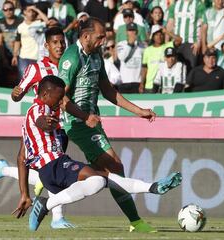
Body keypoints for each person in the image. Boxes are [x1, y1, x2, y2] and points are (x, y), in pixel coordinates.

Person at [12, 75, 182, 231]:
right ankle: (45, 204)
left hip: (51, 171)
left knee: (102, 178)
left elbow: (21, 158)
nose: (61, 102)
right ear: (45, 95)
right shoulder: (39, 110)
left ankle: (153, 187)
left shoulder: (29, 119)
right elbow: (41, 119)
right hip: (54, 165)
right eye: (58, 97)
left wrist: (25, 194)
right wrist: (46, 124)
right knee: (98, 180)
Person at [57, 17, 159, 233]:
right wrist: (84, 117)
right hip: (77, 123)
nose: (104, 41)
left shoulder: (95, 56)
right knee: (115, 167)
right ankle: (136, 221)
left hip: (91, 121)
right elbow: (61, 98)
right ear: (85, 36)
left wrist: (139, 111)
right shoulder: (71, 58)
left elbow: (108, 90)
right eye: (100, 36)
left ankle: (56, 185)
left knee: (101, 174)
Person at [0, 27, 73, 229]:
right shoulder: (36, 68)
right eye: (55, 43)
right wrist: (16, 93)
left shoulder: (70, 65)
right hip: (41, 122)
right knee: (43, 165)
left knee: (46, 169)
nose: (59, 46)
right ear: (47, 45)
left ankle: (4, 170)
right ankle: (57, 218)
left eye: (62, 42)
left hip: (61, 124)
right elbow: (19, 93)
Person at [116, 22, 144, 93]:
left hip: (137, 81)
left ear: (137, 32)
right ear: (126, 32)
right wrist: (130, 44)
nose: (132, 33)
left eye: (133, 30)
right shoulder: (121, 44)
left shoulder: (142, 46)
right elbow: (121, 57)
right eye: (130, 30)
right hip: (124, 81)